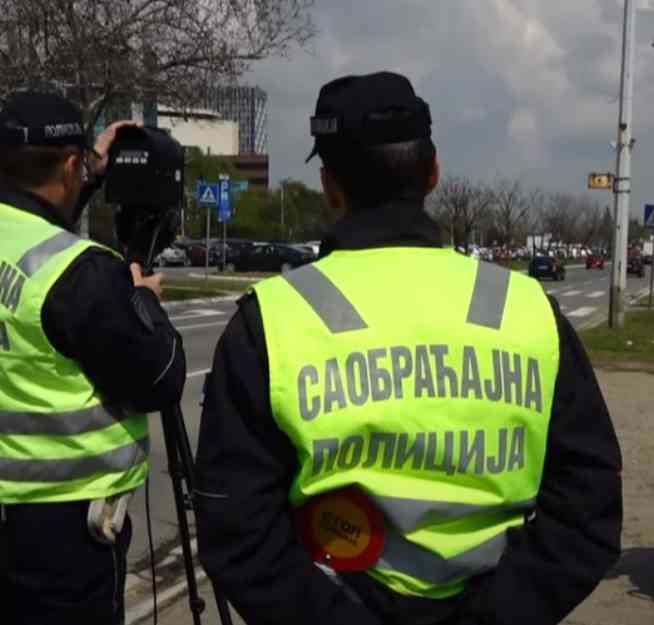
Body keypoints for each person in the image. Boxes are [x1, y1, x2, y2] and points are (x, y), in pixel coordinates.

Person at [194, 72, 622, 625]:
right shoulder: (526, 308)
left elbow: (236, 528)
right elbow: (588, 506)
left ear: (330, 186)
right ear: (434, 173)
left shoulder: (271, 318)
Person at [0, 91, 186, 625]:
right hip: (67, 532)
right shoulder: (83, 273)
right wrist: (144, 299)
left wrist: (86, 178)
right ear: (70, 164)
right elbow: (161, 378)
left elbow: (30, 242)